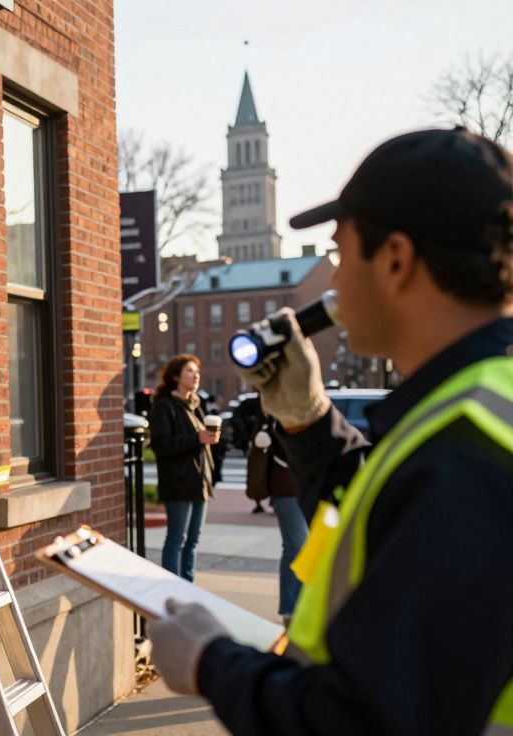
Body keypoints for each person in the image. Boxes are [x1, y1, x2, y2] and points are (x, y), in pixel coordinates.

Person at [148, 127, 513, 734]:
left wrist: (212, 661)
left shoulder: (469, 453)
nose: (336, 283)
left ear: (395, 261)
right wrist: (308, 418)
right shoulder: (474, 409)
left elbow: (362, 721)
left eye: (343, 255)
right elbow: (385, 518)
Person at [147, 354, 220, 582]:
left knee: (193, 540)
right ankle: (172, 588)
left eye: (197, 371)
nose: (196, 375)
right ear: (176, 376)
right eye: (190, 370)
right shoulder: (165, 407)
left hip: (200, 482)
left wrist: (209, 440)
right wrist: (196, 438)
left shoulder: (196, 405)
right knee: (177, 537)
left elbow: (197, 440)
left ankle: (188, 585)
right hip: (178, 482)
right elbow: (160, 445)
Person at [239, 394, 307, 623]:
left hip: (307, 488)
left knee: (306, 548)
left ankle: (302, 606)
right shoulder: (276, 417)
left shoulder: (303, 412)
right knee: (296, 546)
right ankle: (290, 610)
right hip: (287, 489)